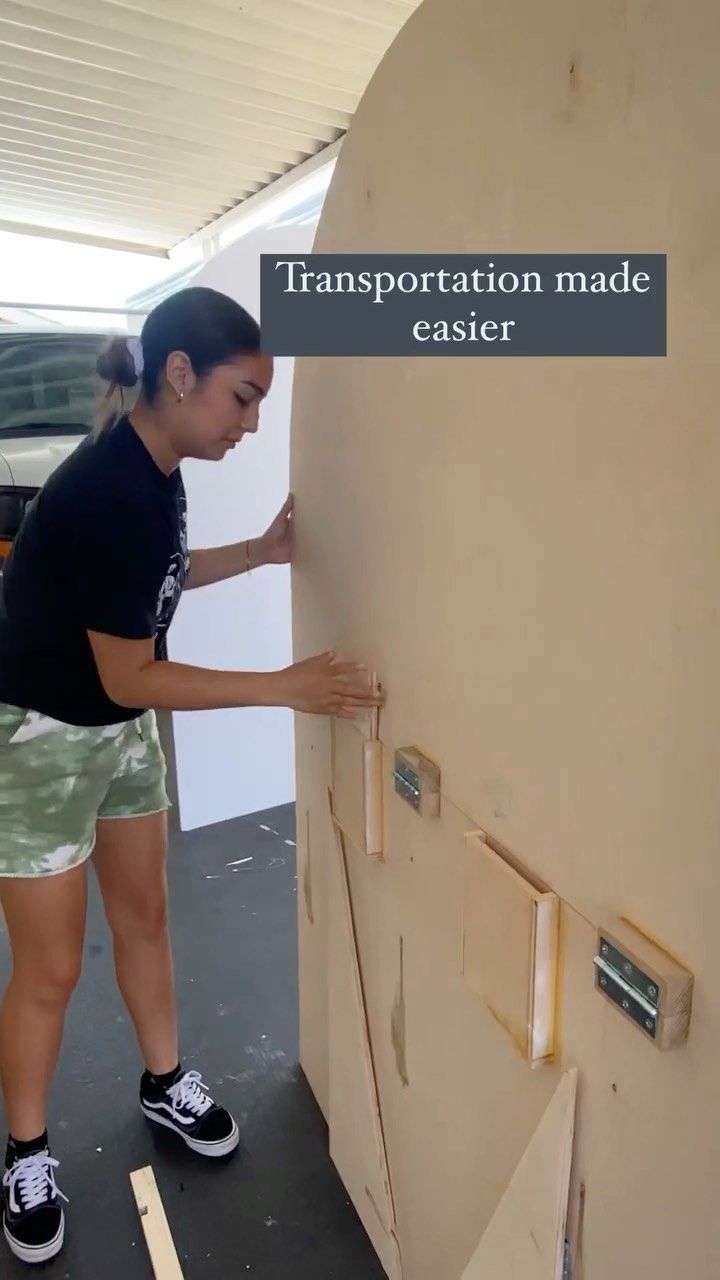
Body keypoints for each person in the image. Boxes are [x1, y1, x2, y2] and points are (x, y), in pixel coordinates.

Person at [0, 286, 382, 1265]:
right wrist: (283, 684)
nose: (251, 423)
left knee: (147, 918)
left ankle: (164, 1080)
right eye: (242, 397)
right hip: (38, 741)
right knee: (46, 968)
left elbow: (154, 579)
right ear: (179, 376)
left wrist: (258, 552)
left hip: (118, 731)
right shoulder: (107, 486)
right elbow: (135, 664)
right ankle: (28, 1150)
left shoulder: (158, 468)